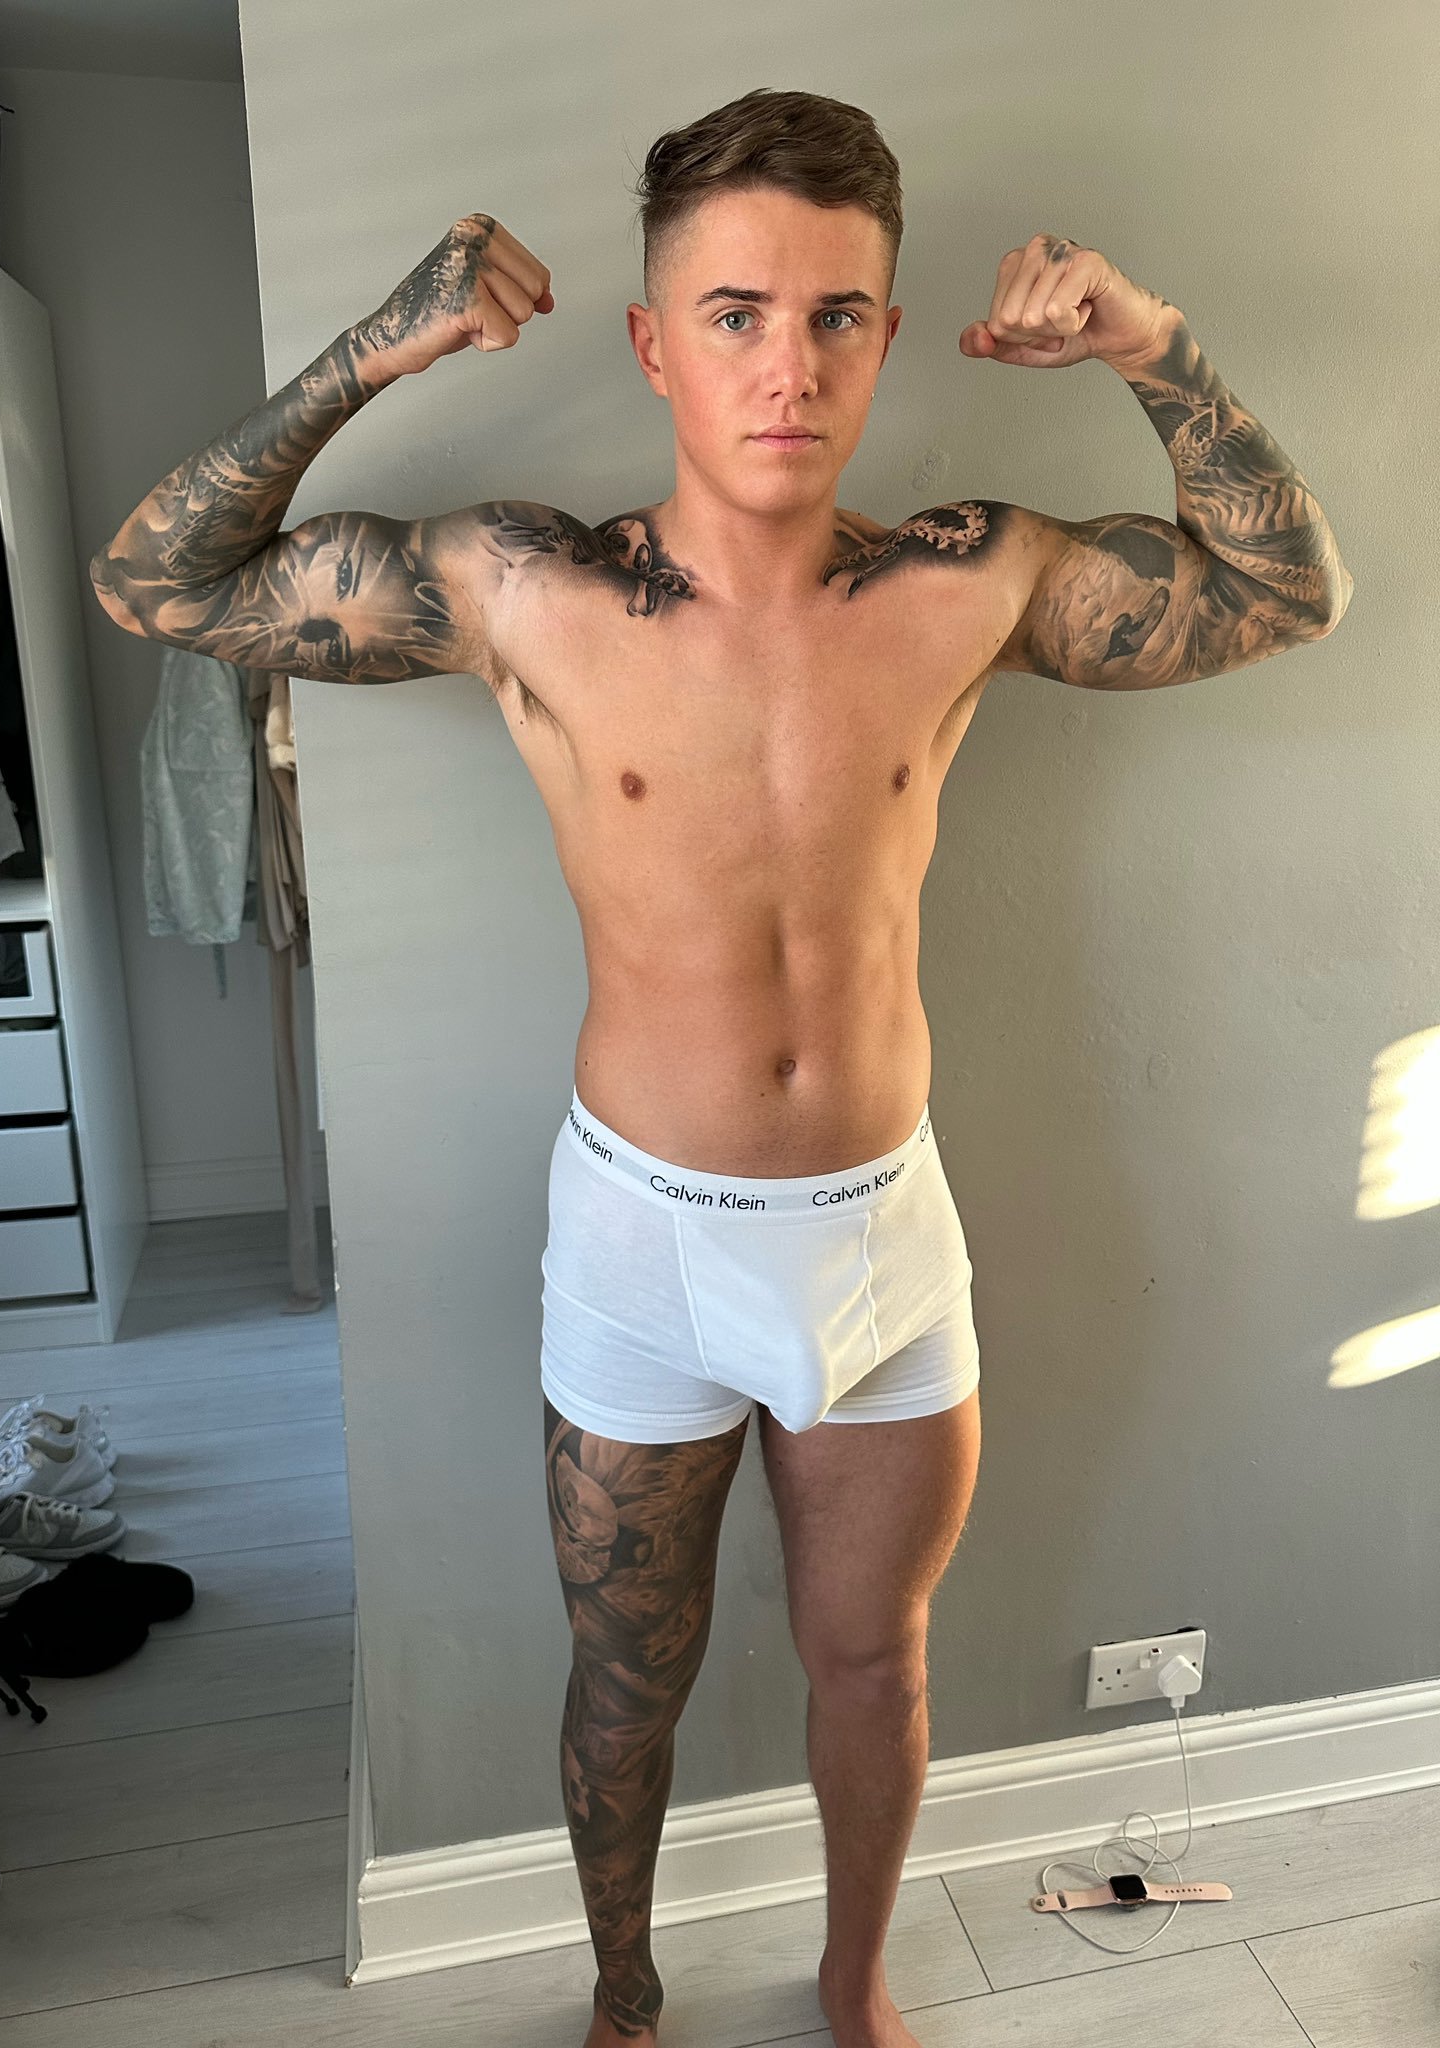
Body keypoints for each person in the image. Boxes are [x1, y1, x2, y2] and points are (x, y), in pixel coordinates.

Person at [90, 87, 1352, 2048]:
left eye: (838, 315)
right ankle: (625, 1993)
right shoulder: (528, 588)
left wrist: (1153, 345)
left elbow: (1284, 594)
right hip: (642, 1242)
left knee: (877, 1662)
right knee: (627, 1683)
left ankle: (855, 1983)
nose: (791, 367)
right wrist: (378, 349)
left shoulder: (966, 578)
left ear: (889, 333)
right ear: (654, 343)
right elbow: (158, 584)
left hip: (883, 1239)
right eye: (738, 314)